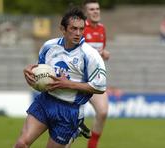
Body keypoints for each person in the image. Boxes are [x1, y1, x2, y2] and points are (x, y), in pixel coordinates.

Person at [14, 7, 106, 148]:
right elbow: (42, 73)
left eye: (81, 29)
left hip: (69, 111)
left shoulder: (90, 55)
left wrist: (68, 84)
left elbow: (100, 87)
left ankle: (76, 128)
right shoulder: (48, 46)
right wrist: (30, 74)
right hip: (45, 101)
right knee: (21, 144)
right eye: (73, 29)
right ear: (63, 29)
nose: (78, 33)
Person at [82, 1, 110, 148]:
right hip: (78, 81)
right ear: (86, 12)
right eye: (91, 9)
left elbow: (101, 51)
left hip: (95, 79)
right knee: (69, 125)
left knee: (103, 112)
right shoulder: (79, 28)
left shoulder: (102, 29)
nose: (95, 11)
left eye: (97, 9)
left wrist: (104, 53)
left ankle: (92, 145)